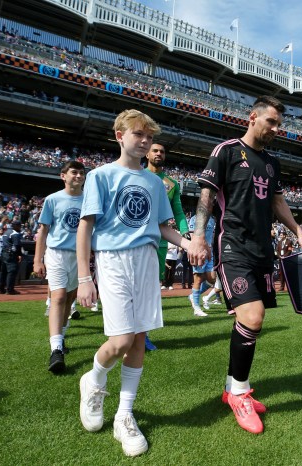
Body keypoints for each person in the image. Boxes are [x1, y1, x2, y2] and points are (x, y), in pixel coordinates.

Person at [188, 95, 302, 435]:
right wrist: (198, 236)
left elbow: (277, 201)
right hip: (233, 247)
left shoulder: (272, 162)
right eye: (271, 122)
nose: (275, 129)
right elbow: (206, 197)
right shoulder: (226, 150)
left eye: (279, 125)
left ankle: (233, 387)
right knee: (252, 316)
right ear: (253, 117)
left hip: (262, 251)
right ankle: (240, 393)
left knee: (251, 321)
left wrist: (298, 230)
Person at [75, 109, 194, 457]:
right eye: (138, 134)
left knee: (139, 337)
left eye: (149, 137)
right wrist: (84, 277)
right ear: (119, 135)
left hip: (146, 259)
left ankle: (124, 415)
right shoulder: (100, 176)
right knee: (122, 339)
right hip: (112, 259)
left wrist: (187, 243)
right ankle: (94, 379)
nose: (144, 141)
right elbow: (86, 228)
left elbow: (160, 227)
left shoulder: (155, 182)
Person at [33, 160, 86, 374]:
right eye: (74, 172)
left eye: (82, 173)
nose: (79, 176)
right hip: (56, 253)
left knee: (69, 300)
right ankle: (55, 349)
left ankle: (61, 337)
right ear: (63, 175)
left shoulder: (89, 200)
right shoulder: (52, 200)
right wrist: (38, 260)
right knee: (59, 297)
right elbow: (43, 231)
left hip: (79, 256)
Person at [144, 142, 189, 350]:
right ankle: (128, 332)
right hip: (138, 238)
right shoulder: (137, 175)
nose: (159, 154)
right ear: (147, 154)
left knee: (152, 286)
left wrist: (185, 230)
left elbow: (178, 211)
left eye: (162, 151)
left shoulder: (171, 184)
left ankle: (142, 334)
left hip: (161, 240)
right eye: (155, 150)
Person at [187, 213, 216, 317]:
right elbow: (191, 236)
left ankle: (193, 296)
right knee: (198, 279)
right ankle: (196, 307)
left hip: (210, 252)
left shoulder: (212, 220)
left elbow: (212, 236)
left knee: (212, 278)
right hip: (199, 251)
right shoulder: (194, 219)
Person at [0, 220, 22, 295]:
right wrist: (19, 255)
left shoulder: (6, 232)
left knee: (3, 272)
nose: (20, 227)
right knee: (11, 272)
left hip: (3, 253)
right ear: (16, 226)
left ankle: (1, 289)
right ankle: (10, 289)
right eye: (19, 226)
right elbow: (17, 246)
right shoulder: (15, 234)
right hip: (11, 254)